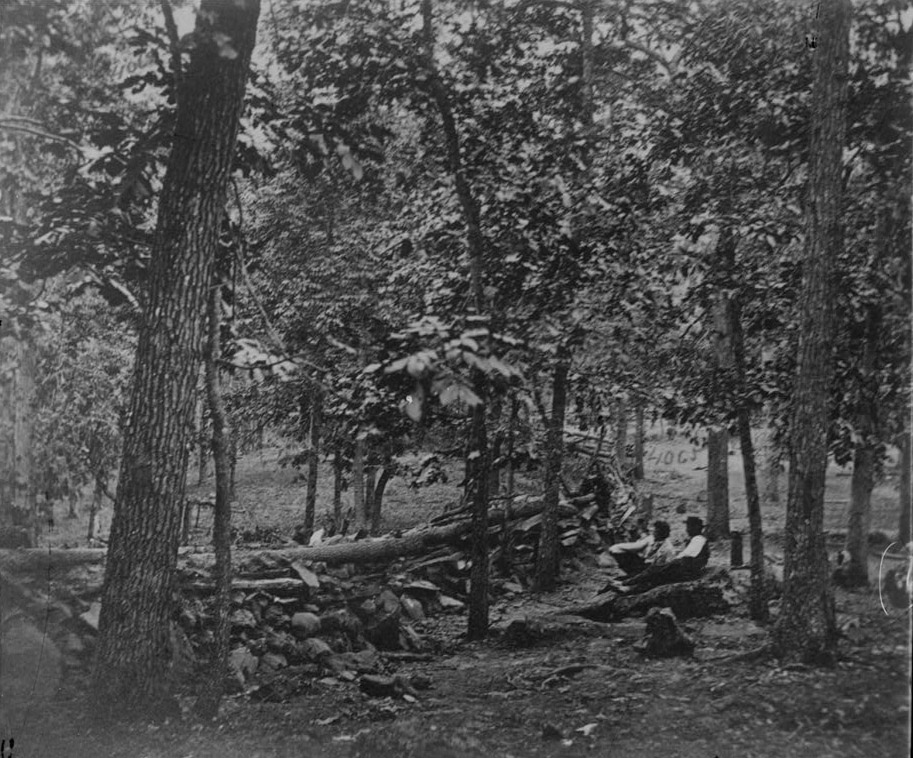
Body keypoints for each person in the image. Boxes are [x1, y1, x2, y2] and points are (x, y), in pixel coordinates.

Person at [609, 516, 710, 593]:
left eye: (689, 527)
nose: (687, 529)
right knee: (654, 573)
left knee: (655, 573)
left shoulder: (698, 539)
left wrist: (670, 563)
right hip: (686, 568)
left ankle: (626, 585)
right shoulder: (695, 539)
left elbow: (687, 555)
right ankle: (627, 585)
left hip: (688, 570)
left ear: (696, 527)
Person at [608, 520, 675, 576]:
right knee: (619, 551)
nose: (653, 532)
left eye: (655, 531)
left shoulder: (668, 548)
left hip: (653, 569)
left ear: (661, 532)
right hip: (643, 564)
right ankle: (631, 574)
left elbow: (662, 566)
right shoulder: (651, 538)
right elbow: (635, 546)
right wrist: (617, 548)